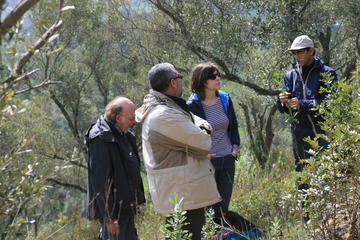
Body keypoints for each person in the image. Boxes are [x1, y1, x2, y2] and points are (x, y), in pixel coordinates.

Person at [135, 63, 221, 240]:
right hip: (182, 192)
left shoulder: (168, 108)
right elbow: (204, 142)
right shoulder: (164, 114)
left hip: (181, 191)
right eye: (179, 78)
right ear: (173, 83)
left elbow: (195, 129)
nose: (182, 82)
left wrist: (197, 127)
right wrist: (204, 127)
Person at [187, 62, 240, 224]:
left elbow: (233, 125)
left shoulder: (225, 98)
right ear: (203, 81)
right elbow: (189, 135)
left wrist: (235, 148)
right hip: (207, 161)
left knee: (223, 206)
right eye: (213, 76)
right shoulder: (192, 105)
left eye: (219, 75)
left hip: (228, 158)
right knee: (209, 208)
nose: (218, 78)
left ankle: (222, 233)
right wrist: (202, 154)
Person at [85, 96, 145, 240]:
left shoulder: (123, 134)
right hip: (115, 214)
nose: (134, 121)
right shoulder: (101, 139)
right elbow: (100, 183)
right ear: (118, 118)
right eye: (131, 118)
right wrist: (110, 218)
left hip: (127, 208)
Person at [277, 35, 338, 177]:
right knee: (303, 178)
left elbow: (329, 104)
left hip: (322, 135)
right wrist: (281, 101)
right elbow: (283, 109)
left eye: (300, 52)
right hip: (299, 137)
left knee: (325, 178)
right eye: (294, 53)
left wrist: (302, 104)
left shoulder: (327, 73)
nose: (297, 56)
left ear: (311, 51)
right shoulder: (290, 75)